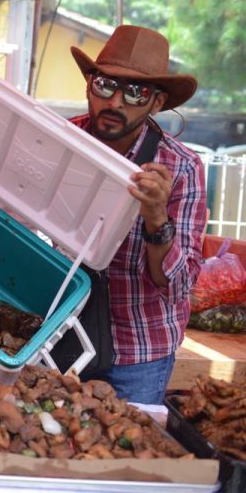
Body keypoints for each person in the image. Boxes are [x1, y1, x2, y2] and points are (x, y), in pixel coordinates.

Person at [63, 25, 208, 404]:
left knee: (130, 455)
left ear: (157, 103)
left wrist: (156, 216)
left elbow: (177, 287)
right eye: (104, 85)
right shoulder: (62, 141)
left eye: (135, 92)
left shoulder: (182, 168)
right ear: (89, 85)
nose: (115, 102)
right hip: (56, 335)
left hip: (139, 349)